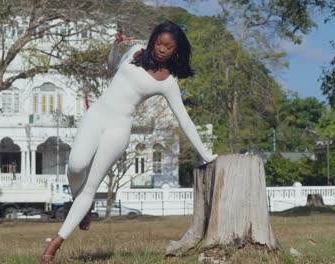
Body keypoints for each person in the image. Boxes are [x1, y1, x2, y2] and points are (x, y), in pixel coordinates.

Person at [40, 21, 217, 263]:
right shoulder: (135, 52)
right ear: (153, 39)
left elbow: (184, 121)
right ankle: (79, 206)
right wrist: (116, 46)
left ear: (176, 50)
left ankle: (54, 246)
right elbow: (111, 63)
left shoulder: (168, 81)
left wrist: (206, 154)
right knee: (76, 165)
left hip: (119, 127)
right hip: (97, 114)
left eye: (169, 46)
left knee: (90, 186)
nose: (162, 49)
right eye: (159, 43)